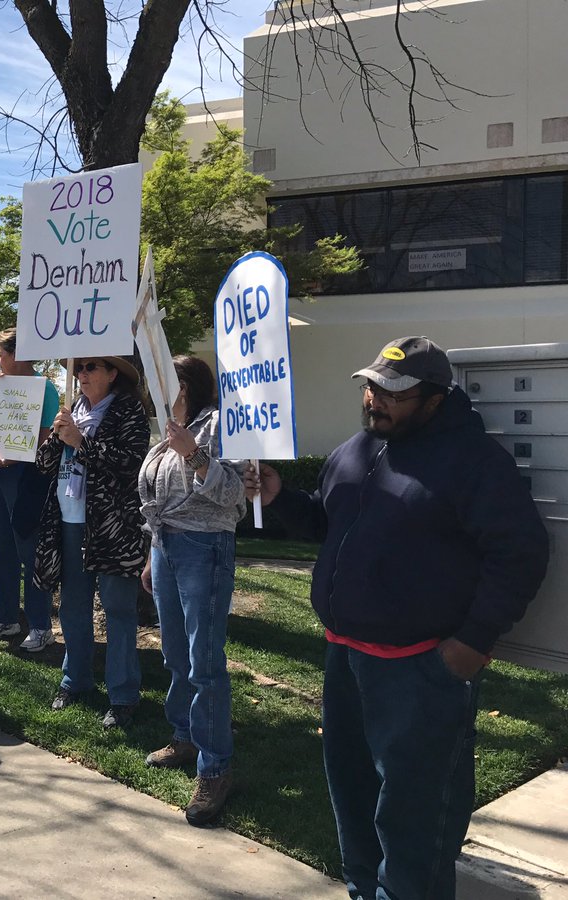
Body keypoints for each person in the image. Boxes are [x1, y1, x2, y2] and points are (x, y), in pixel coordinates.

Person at [244, 336, 549, 899]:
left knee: (415, 822)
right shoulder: (355, 451)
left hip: (420, 671)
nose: (375, 400)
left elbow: (520, 553)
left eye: (393, 393)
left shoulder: (474, 462)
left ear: (434, 399)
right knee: (354, 802)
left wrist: (473, 640)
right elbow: (327, 523)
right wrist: (280, 495)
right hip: (346, 658)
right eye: (371, 387)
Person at [138, 356, 245, 827]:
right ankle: (184, 735)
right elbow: (159, 501)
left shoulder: (221, 423)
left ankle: (215, 767)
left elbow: (236, 494)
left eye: (166, 377)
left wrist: (195, 455)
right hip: (167, 548)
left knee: (205, 662)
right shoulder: (167, 431)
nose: (156, 385)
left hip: (205, 546)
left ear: (186, 385)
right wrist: (152, 555)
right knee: (176, 654)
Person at [32, 356, 150, 728]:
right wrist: (57, 437)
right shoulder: (72, 411)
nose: (81, 374)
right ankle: (75, 680)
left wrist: (81, 442)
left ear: (113, 374)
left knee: (118, 609)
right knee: (72, 606)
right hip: (69, 521)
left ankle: (123, 695)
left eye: (91, 367)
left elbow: (130, 464)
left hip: (113, 526)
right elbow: (44, 465)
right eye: (79, 368)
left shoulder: (128, 411)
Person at [0, 327, 60, 652]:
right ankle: (5, 618)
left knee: (30, 551)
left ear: (17, 355)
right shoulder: (1, 386)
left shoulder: (44, 389)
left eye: (1, 354)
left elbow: (45, 438)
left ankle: (40, 626)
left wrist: (13, 458)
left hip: (27, 477)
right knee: (2, 550)